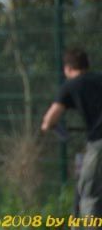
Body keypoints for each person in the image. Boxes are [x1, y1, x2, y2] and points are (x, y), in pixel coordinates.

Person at [41, 47, 102, 220]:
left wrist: (48, 126)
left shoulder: (70, 86)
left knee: (89, 194)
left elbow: (49, 119)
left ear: (67, 68)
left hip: (98, 143)